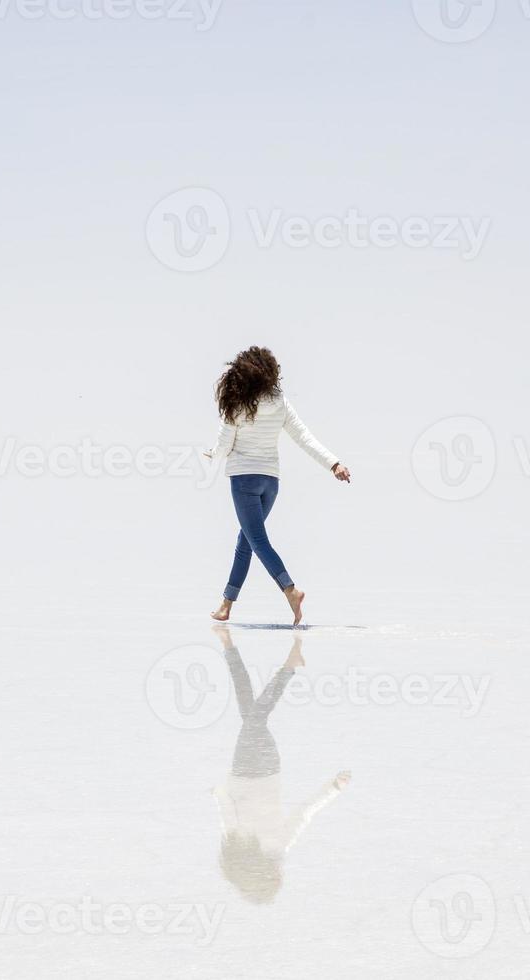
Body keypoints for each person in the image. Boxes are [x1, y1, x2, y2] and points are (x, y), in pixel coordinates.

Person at [205, 347, 350, 626]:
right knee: (245, 541)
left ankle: (290, 590)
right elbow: (304, 437)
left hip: (244, 480)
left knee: (257, 541)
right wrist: (334, 463)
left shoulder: (237, 402)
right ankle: (226, 604)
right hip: (270, 482)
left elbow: (224, 444)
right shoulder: (279, 401)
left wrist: (212, 454)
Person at [210, 626, 350, 904]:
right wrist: (334, 787)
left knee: (249, 713)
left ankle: (239, 651)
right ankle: (275, 661)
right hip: (253, 767)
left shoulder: (257, 846)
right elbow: (304, 812)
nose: (279, 874)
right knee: (252, 716)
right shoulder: (266, 847)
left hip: (255, 767)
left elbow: (227, 808)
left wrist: (218, 792)